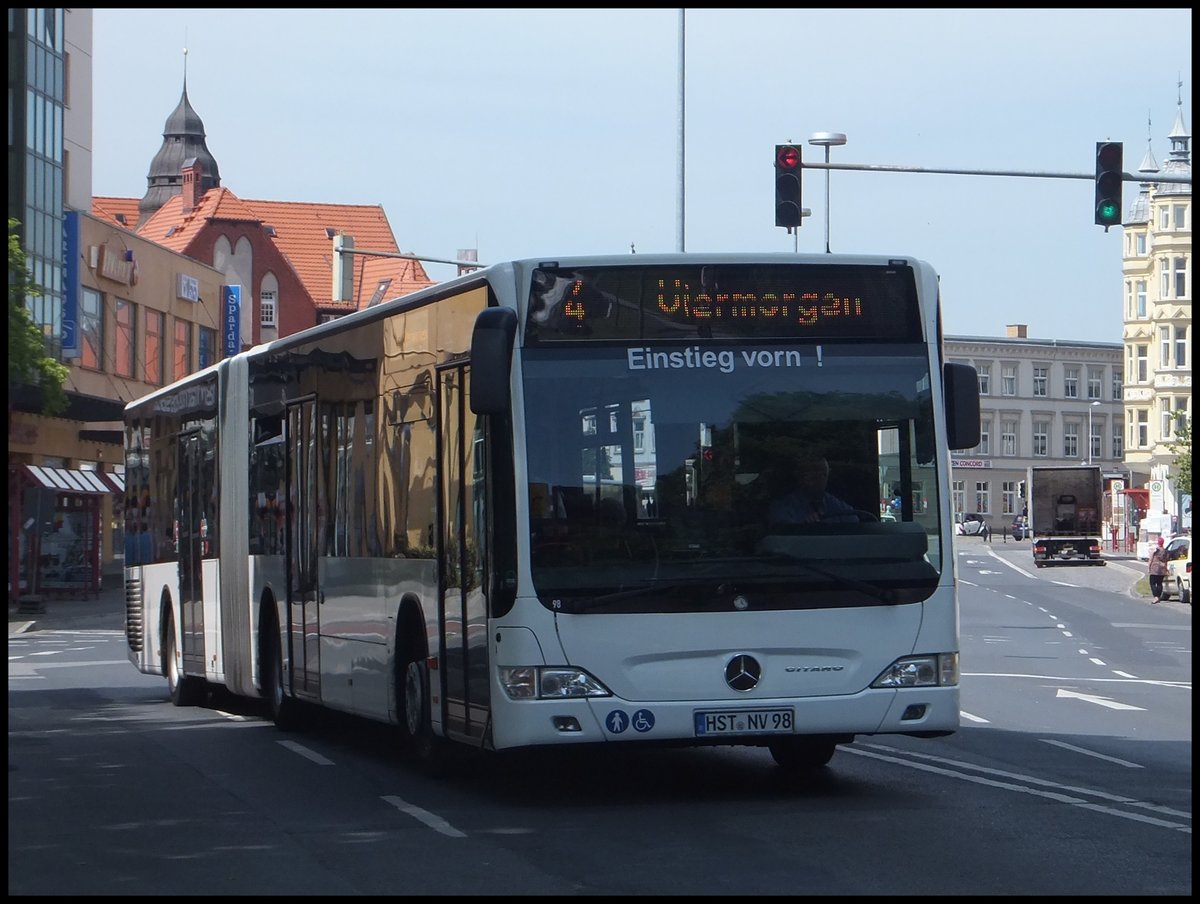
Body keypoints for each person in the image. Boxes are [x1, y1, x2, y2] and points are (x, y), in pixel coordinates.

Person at [767, 454, 859, 526]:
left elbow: (854, 520)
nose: (819, 479)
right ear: (799, 477)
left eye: (823, 474)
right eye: (813, 475)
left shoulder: (834, 504)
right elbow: (782, 535)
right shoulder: (783, 507)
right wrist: (804, 527)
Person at [1148, 535, 1169, 604]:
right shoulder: (1165, 551)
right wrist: (1166, 569)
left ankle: (1156, 597)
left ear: (1158, 543)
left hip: (1155, 568)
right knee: (1159, 583)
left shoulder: (1155, 550)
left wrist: (1149, 567)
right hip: (1162, 569)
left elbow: (1150, 559)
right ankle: (1158, 596)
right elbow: (1166, 561)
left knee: (1152, 583)